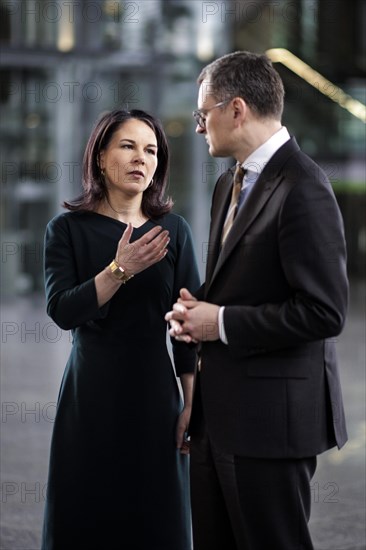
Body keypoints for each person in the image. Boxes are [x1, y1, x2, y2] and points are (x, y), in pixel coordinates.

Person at [166, 51, 348, 550]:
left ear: (237, 109)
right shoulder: (230, 181)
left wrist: (218, 322)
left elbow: (324, 311)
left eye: (204, 115)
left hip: (271, 424)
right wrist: (195, 309)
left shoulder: (305, 186)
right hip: (216, 420)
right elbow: (241, 284)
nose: (200, 128)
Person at [41, 109, 200, 549]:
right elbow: (62, 310)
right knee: (86, 519)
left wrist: (192, 400)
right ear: (99, 158)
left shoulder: (173, 231)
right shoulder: (67, 230)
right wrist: (118, 270)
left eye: (150, 150)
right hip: (89, 397)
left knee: (158, 523)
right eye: (128, 146)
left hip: (156, 400)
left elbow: (188, 324)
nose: (140, 159)